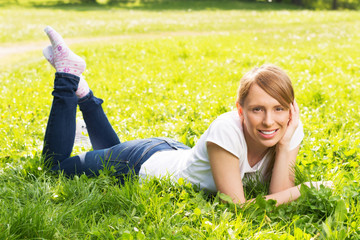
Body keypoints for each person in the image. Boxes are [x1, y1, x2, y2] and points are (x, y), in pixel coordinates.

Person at [41, 26, 328, 206]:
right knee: (56, 168)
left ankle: (85, 96)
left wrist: (285, 145)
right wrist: (305, 190)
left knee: (104, 153)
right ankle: (67, 75)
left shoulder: (286, 128)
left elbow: (279, 191)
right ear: (240, 110)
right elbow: (238, 207)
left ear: (291, 110)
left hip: (174, 152)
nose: (269, 121)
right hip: (140, 162)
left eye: (279, 108)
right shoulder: (227, 129)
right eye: (257, 109)